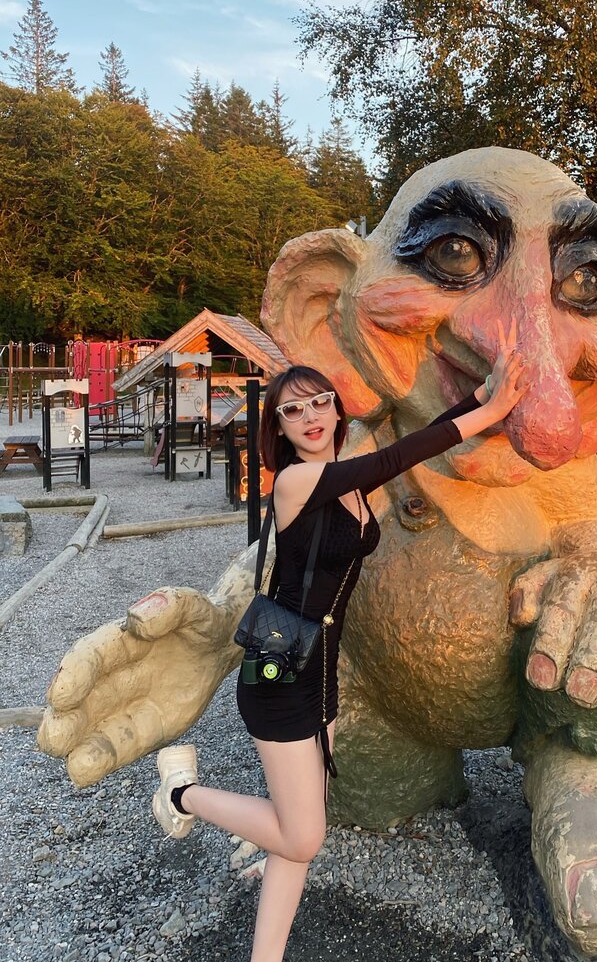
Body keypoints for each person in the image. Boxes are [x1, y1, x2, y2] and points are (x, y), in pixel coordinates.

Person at [150, 320, 526, 962]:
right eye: (292, 411)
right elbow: (395, 458)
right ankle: (182, 793)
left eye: (319, 402)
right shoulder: (296, 481)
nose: (309, 417)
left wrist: (481, 395)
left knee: (294, 836)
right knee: (303, 836)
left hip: (319, 673)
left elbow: (406, 449)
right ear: (279, 429)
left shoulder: (344, 482)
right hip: (279, 677)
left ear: (335, 409)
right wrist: (489, 412)